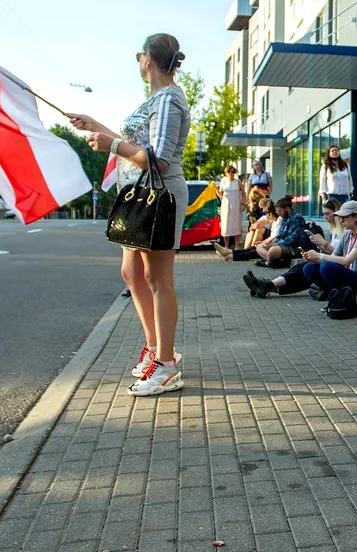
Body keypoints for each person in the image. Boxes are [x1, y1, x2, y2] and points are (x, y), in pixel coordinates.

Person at [68, 33, 192, 397]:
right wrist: (96, 126)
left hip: (159, 196)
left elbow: (158, 157)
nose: (138, 62)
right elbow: (135, 146)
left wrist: (111, 143)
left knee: (157, 278)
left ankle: (166, 365)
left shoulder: (169, 99)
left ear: (148, 59)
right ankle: (155, 351)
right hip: (139, 196)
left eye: (139, 56)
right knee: (132, 272)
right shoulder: (156, 98)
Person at [246, 201, 357, 299]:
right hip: (352, 273)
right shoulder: (348, 233)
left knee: (326, 267)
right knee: (308, 267)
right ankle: (269, 286)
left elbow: (347, 260)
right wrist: (315, 257)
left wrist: (320, 256)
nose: (341, 219)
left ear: (356, 217)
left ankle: (268, 286)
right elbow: (334, 256)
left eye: (345, 216)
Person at [214, 195, 313, 264]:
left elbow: (292, 238)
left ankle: (229, 254)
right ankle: (229, 254)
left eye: (279, 211)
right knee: (258, 248)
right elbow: (280, 235)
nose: (278, 213)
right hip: (280, 243)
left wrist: (275, 244)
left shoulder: (296, 218)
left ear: (286, 208)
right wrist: (272, 243)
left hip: (290, 247)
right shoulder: (284, 218)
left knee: (261, 249)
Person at [216, 165, 246, 249]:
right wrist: (216, 190)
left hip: (236, 205)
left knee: (236, 224)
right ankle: (226, 246)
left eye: (232, 172)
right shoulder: (223, 181)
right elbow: (221, 195)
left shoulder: (238, 181)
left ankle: (237, 246)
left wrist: (243, 203)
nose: (231, 173)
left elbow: (243, 192)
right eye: (229, 172)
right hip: (226, 205)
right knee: (226, 225)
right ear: (226, 173)